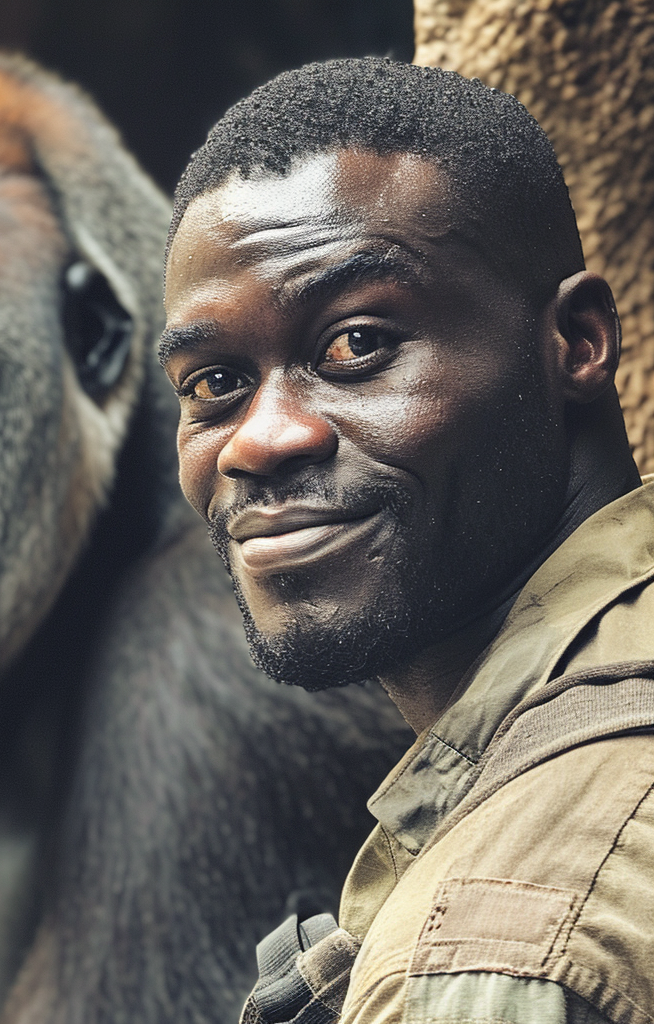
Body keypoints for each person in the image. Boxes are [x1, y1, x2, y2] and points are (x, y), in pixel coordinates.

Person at [160, 58, 654, 1024]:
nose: (260, 441)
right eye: (214, 383)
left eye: (354, 345)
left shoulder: (498, 950)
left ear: (578, 343)